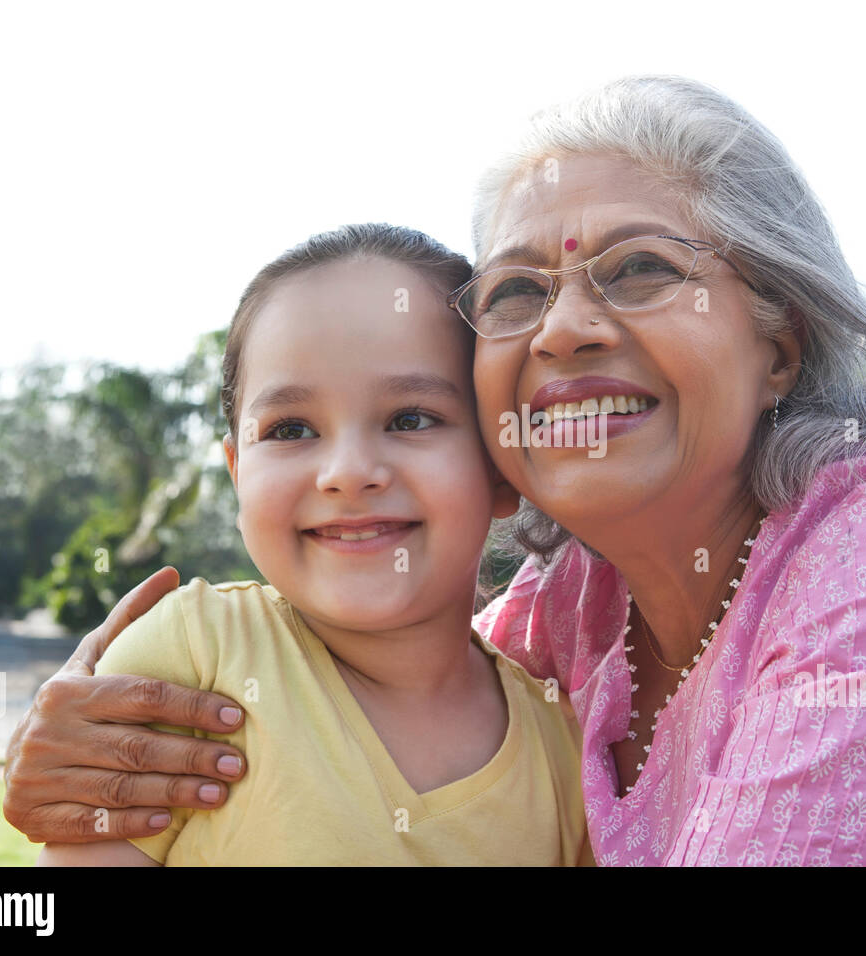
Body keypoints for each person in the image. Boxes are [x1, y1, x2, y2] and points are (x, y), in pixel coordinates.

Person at [6, 75, 866, 865]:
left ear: (779, 338)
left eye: (641, 268)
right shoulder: (559, 628)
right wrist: (78, 758)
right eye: (516, 292)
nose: (562, 329)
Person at [36, 224, 590, 865]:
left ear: (501, 467)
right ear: (238, 471)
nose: (348, 472)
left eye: (410, 419)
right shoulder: (193, 658)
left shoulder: (563, 750)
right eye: (291, 428)